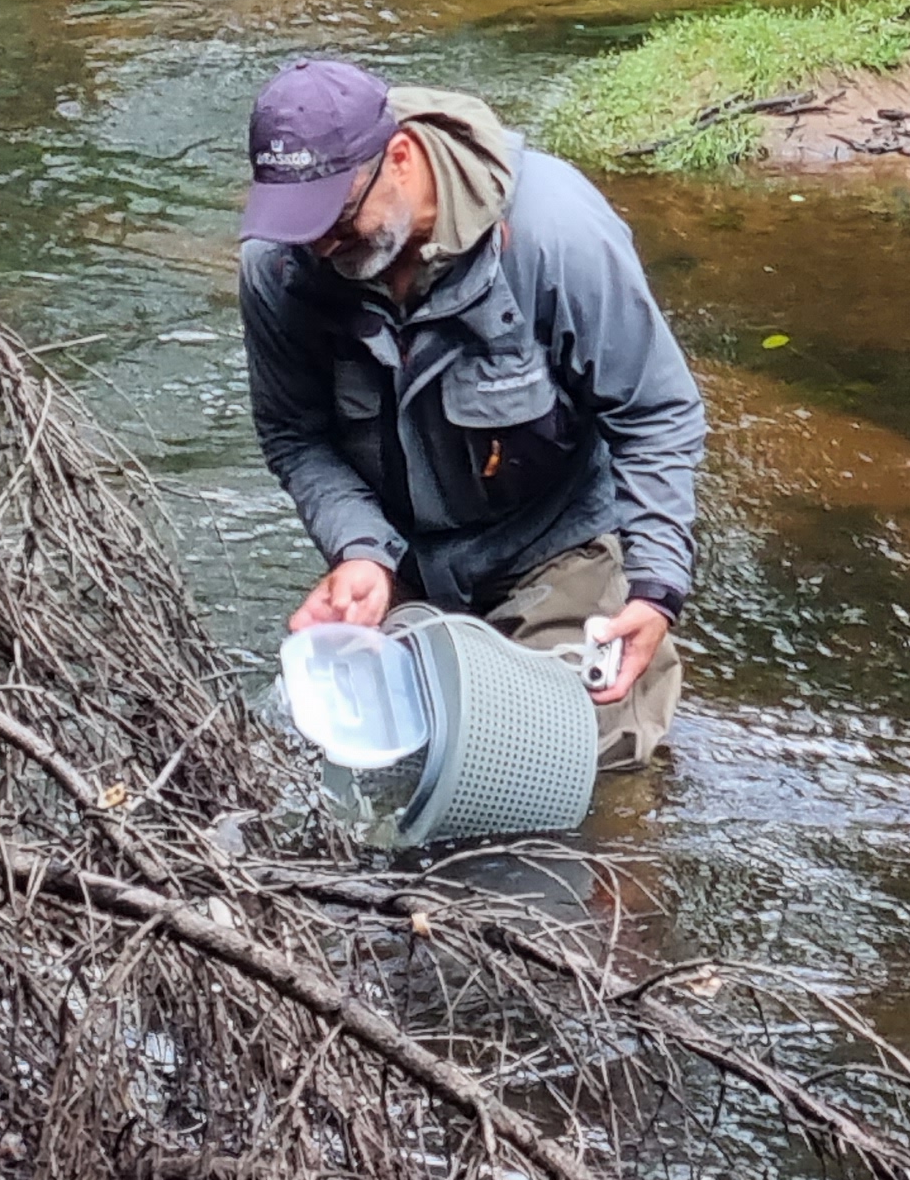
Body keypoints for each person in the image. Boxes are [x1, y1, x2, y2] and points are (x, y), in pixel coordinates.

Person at [237, 56, 706, 770]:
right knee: (369, 759)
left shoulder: (556, 234)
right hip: (408, 560)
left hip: (555, 543)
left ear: (399, 157)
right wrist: (361, 551)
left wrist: (655, 587)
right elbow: (295, 436)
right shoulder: (279, 264)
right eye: (300, 228)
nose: (320, 248)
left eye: (335, 219)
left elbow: (655, 413)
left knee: (579, 765)